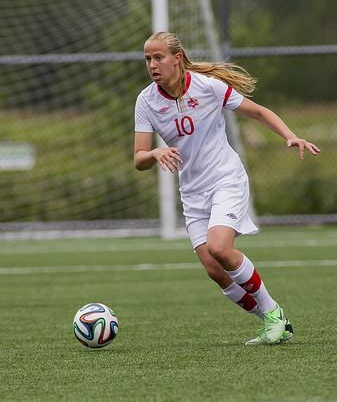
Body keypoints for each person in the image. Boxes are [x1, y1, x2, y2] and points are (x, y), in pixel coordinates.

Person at [133, 31, 320, 345]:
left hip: (225, 179)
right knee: (214, 269)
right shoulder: (146, 100)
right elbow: (138, 158)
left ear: (176, 59)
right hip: (192, 193)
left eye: (158, 57)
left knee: (220, 248)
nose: (152, 64)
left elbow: (258, 111)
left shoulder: (207, 86)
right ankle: (274, 321)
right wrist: (154, 153)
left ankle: (274, 313)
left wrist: (290, 135)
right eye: (148, 59)